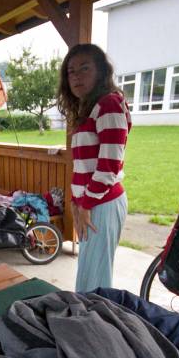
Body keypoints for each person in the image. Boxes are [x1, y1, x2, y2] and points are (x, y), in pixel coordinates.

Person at [57, 44, 131, 292]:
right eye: (71, 71)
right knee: (89, 275)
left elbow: (109, 166)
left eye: (84, 68)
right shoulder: (89, 108)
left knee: (97, 282)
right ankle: (87, 323)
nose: (76, 76)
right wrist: (76, 202)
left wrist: (85, 203)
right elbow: (83, 166)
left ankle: (95, 327)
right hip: (90, 202)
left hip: (103, 202)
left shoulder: (109, 104)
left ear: (101, 71)